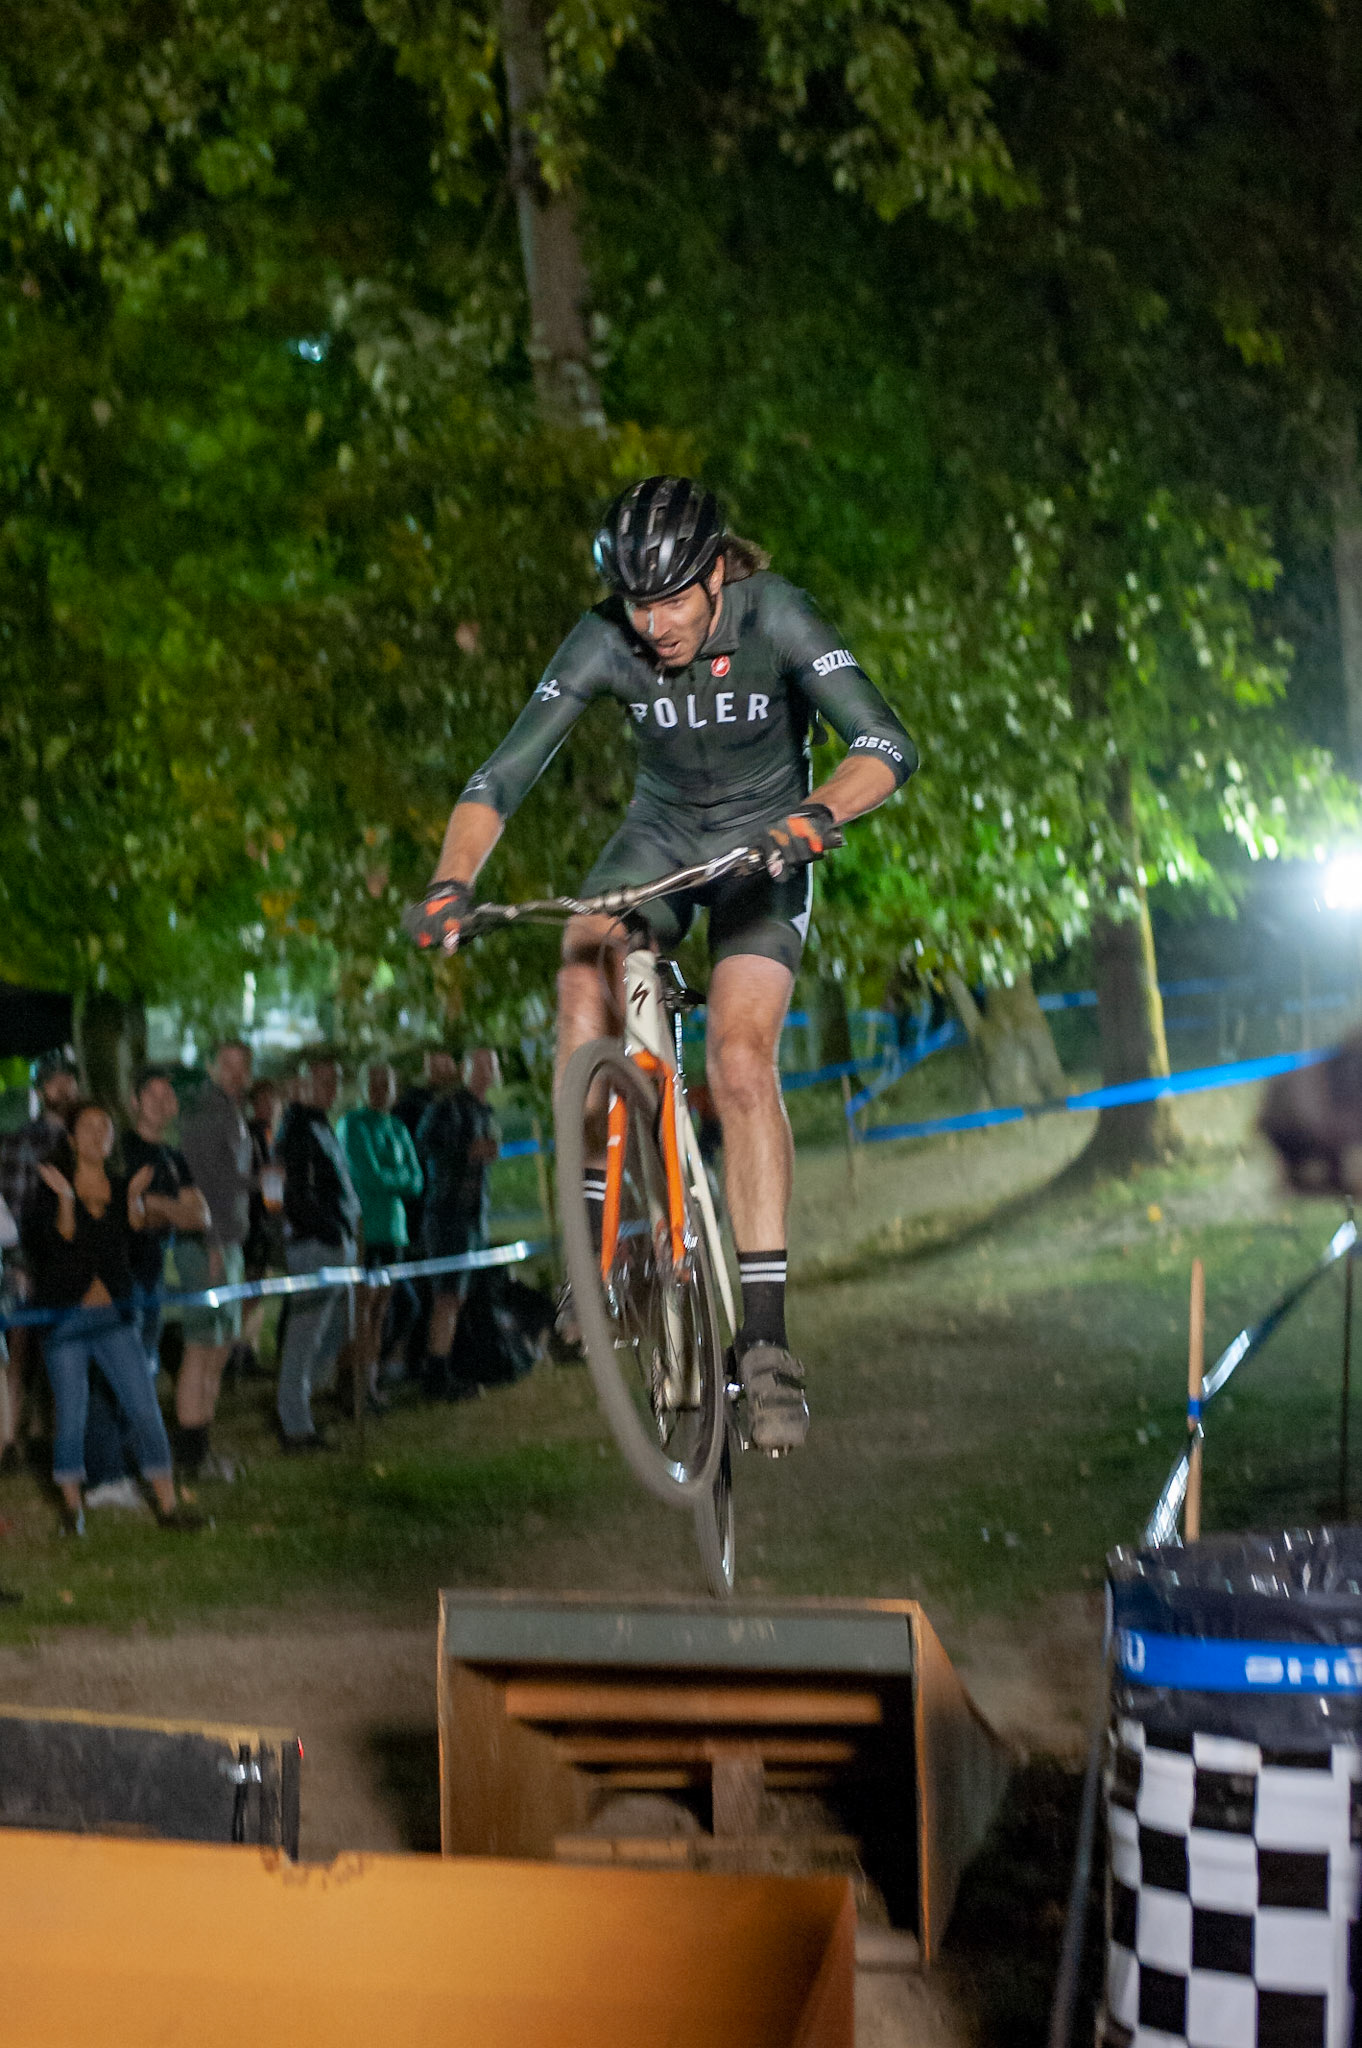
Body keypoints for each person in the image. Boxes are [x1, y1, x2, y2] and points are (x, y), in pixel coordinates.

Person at [402, 476, 916, 1449]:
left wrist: (819, 812)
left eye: (674, 599)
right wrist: (449, 882)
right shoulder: (607, 637)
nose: (656, 624)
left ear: (717, 572)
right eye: (638, 604)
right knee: (581, 956)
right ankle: (590, 1241)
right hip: (660, 841)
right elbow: (501, 775)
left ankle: (765, 1343)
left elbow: (886, 742)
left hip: (766, 846)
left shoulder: (777, 613)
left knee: (740, 1061)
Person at [21, 1101, 198, 1535]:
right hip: (66, 1324)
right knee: (71, 1416)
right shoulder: (50, 1188)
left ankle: (169, 1506)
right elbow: (58, 1243)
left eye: (106, 1126)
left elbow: (133, 1238)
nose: (99, 1133)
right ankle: (72, 1511)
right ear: (72, 1139)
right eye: (89, 1126)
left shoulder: (121, 1188)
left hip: (115, 1320)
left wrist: (135, 1199)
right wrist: (66, 1198)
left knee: (145, 1408)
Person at [84, 1067, 208, 1512]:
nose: (160, 1102)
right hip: (116, 1279)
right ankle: (103, 1478)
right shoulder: (120, 1151)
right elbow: (123, 1212)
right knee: (110, 1376)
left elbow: (200, 1217)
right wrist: (159, 1210)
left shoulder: (173, 1157)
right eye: (151, 1094)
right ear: (134, 1101)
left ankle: (126, 1466)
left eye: (166, 1095)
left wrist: (156, 1205)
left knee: (143, 1374)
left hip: (152, 1277)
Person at [176, 1040, 254, 1480]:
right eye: (226, 1065)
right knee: (202, 1346)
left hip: (230, 1241)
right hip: (208, 1243)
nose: (235, 1074)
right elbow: (198, 1181)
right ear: (210, 1066)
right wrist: (210, 1243)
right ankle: (191, 1453)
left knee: (220, 1345)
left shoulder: (230, 1110)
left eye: (242, 1066)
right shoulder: (204, 1112)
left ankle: (202, 1447)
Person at [275, 1053, 361, 1449]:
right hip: (315, 1245)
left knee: (335, 1329)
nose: (332, 1089)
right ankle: (295, 1423)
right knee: (304, 1336)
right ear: (303, 1084)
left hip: (334, 1240)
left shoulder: (321, 1125)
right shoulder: (296, 1131)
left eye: (335, 1081)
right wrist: (328, 1231)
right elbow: (294, 1195)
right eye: (323, 1081)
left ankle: (304, 1402)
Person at [0, 1057, 80, 1471]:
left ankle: (45, 1435)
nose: (63, 1088)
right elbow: (12, 1205)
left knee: (59, 1350)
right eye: (55, 1082)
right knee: (19, 1348)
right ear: (41, 1089)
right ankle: (11, 1437)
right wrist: (19, 1261)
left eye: (69, 1081)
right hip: (31, 1260)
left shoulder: (87, 1139)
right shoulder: (21, 1140)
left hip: (71, 1261)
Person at [415, 1048, 500, 1396]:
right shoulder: (448, 1108)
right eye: (479, 1066)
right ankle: (436, 1373)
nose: (486, 1072)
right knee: (448, 1295)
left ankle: (450, 1364)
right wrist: (466, 1152)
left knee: (458, 1296)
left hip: (473, 1214)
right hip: (449, 1215)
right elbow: (427, 1146)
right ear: (465, 1070)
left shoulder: (484, 1111)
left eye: (490, 1066)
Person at [339, 1061, 423, 1410]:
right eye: (372, 1083)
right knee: (362, 1310)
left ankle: (370, 1385)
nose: (379, 1090)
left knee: (381, 1311)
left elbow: (416, 1180)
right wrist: (395, 1177)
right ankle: (351, 1385)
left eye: (385, 1084)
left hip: (393, 1231)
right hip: (365, 1230)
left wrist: (391, 1177)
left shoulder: (398, 1127)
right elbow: (366, 1176)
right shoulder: (353, 1125)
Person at [235, 1077, 283, 1378]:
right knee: (249, 1286)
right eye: (263, 1101)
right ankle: (239, 1351)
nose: (269, 1107)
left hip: (265, 1220)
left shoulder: (272, 1135)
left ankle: (247, 1348)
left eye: (273, 1101)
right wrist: (264, 1183)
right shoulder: (251, 1135)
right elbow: (246, 1178)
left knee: (257, 1286)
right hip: (251, 1220)